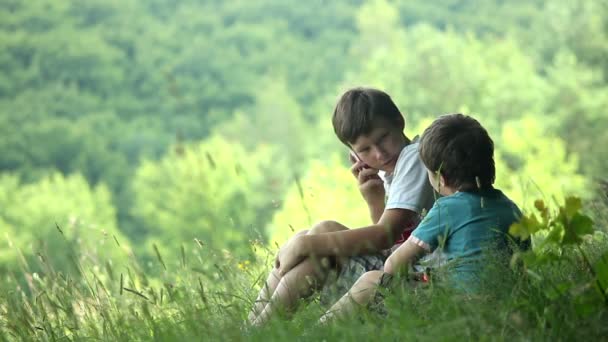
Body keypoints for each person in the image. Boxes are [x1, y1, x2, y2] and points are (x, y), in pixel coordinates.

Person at [248, 87, 436, 326]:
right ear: (353, 154)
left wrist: (302, 245)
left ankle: (259, 330)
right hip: (404, 265)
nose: (379, 154)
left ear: (399, 121)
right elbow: (395, 243)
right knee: (324, 228)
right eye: (365, 149)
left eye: (383, 138)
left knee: (316, 248)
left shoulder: (414, 158)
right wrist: (375, 198)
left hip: (422, 277)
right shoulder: (392, 172)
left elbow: (384, 237)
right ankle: (254, 327)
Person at [319, 113, 528, 322]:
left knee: (371, 280)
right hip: (504, 304)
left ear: (441, 179)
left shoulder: (446, 209)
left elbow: (393, 265)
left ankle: (315, 332)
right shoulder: (511, 208)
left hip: (456, 305)